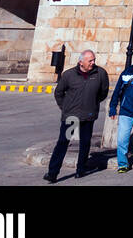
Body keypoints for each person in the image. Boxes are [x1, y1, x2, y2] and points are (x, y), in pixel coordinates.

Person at [44, 49, 110, 182]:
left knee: (85, 143)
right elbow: (59, 93)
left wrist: (93, 103)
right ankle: (53, 173)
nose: (93, 63)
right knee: (63, 142)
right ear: (81, 62)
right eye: (90, 60)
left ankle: (81, 169)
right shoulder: (68, 75)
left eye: (93, 60)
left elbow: (103, 92)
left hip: (88, 115)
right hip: (72, 117)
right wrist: (65, 108)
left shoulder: (100, 73)